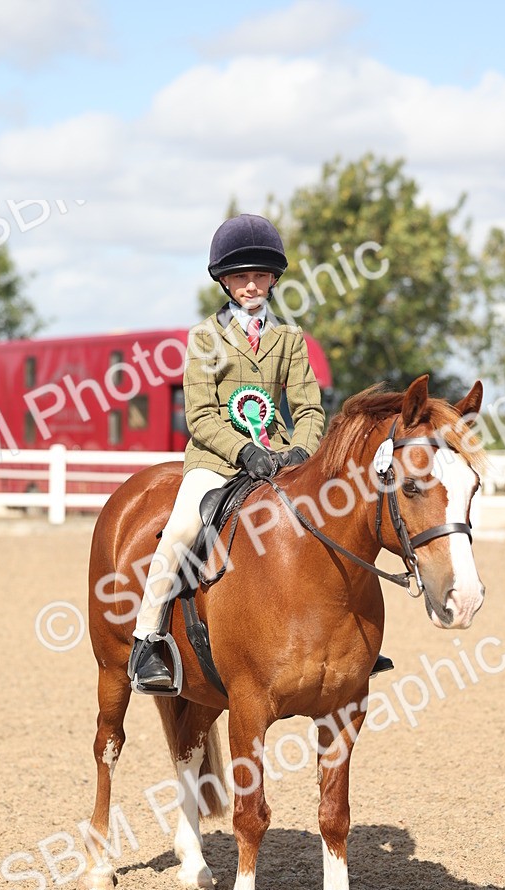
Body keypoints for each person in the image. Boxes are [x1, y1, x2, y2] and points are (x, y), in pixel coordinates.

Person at [128, 213, 326, 691]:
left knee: (331, 519)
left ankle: (339, 635)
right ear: (224, 280)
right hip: (216, 460)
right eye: (241, 276)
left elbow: (309, 409)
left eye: (260, 275)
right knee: (182, 528)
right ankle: (147, 639)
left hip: (278, 459)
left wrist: (300, 451)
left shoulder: (290, 339)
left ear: (273, 279)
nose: (251, 285)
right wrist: (243, 451)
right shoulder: (204, 338)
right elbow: (199, 415)